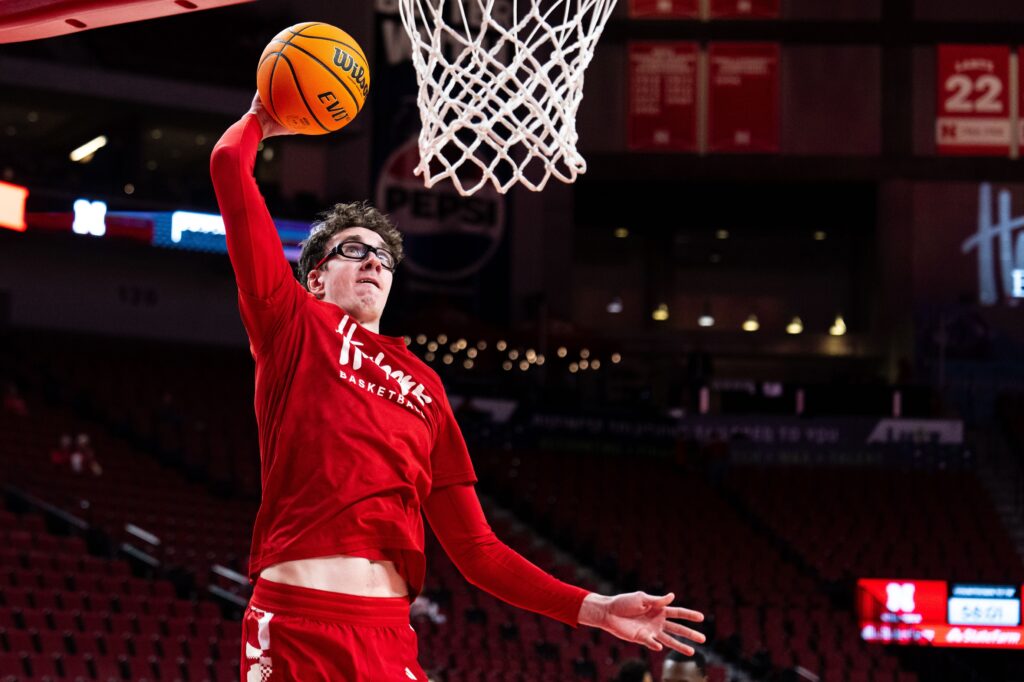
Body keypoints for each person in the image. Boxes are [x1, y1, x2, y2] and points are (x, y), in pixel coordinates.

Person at [210, 94, 707, 682]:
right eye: (353, 250)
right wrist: (263, 119)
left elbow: (478, 552)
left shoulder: (424, 385)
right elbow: (226, 165)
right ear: (315, 276)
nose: (372, 262)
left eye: (384, 257)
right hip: (300, 626)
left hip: (390, 637)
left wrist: (595, 609)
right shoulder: (292, 325)